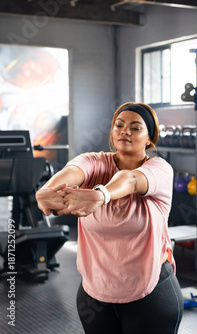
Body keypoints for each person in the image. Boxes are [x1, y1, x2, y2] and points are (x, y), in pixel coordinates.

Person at [35, 102, 183, 334]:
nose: (125, 131)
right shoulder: (94, 162)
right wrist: (47, 191)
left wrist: (101, 195)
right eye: (119, 125)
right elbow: (72, 172)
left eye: (135, 128)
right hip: (94, 296)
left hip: (151, 293)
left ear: (149, 139)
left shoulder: (159, 169)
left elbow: (130, 179)